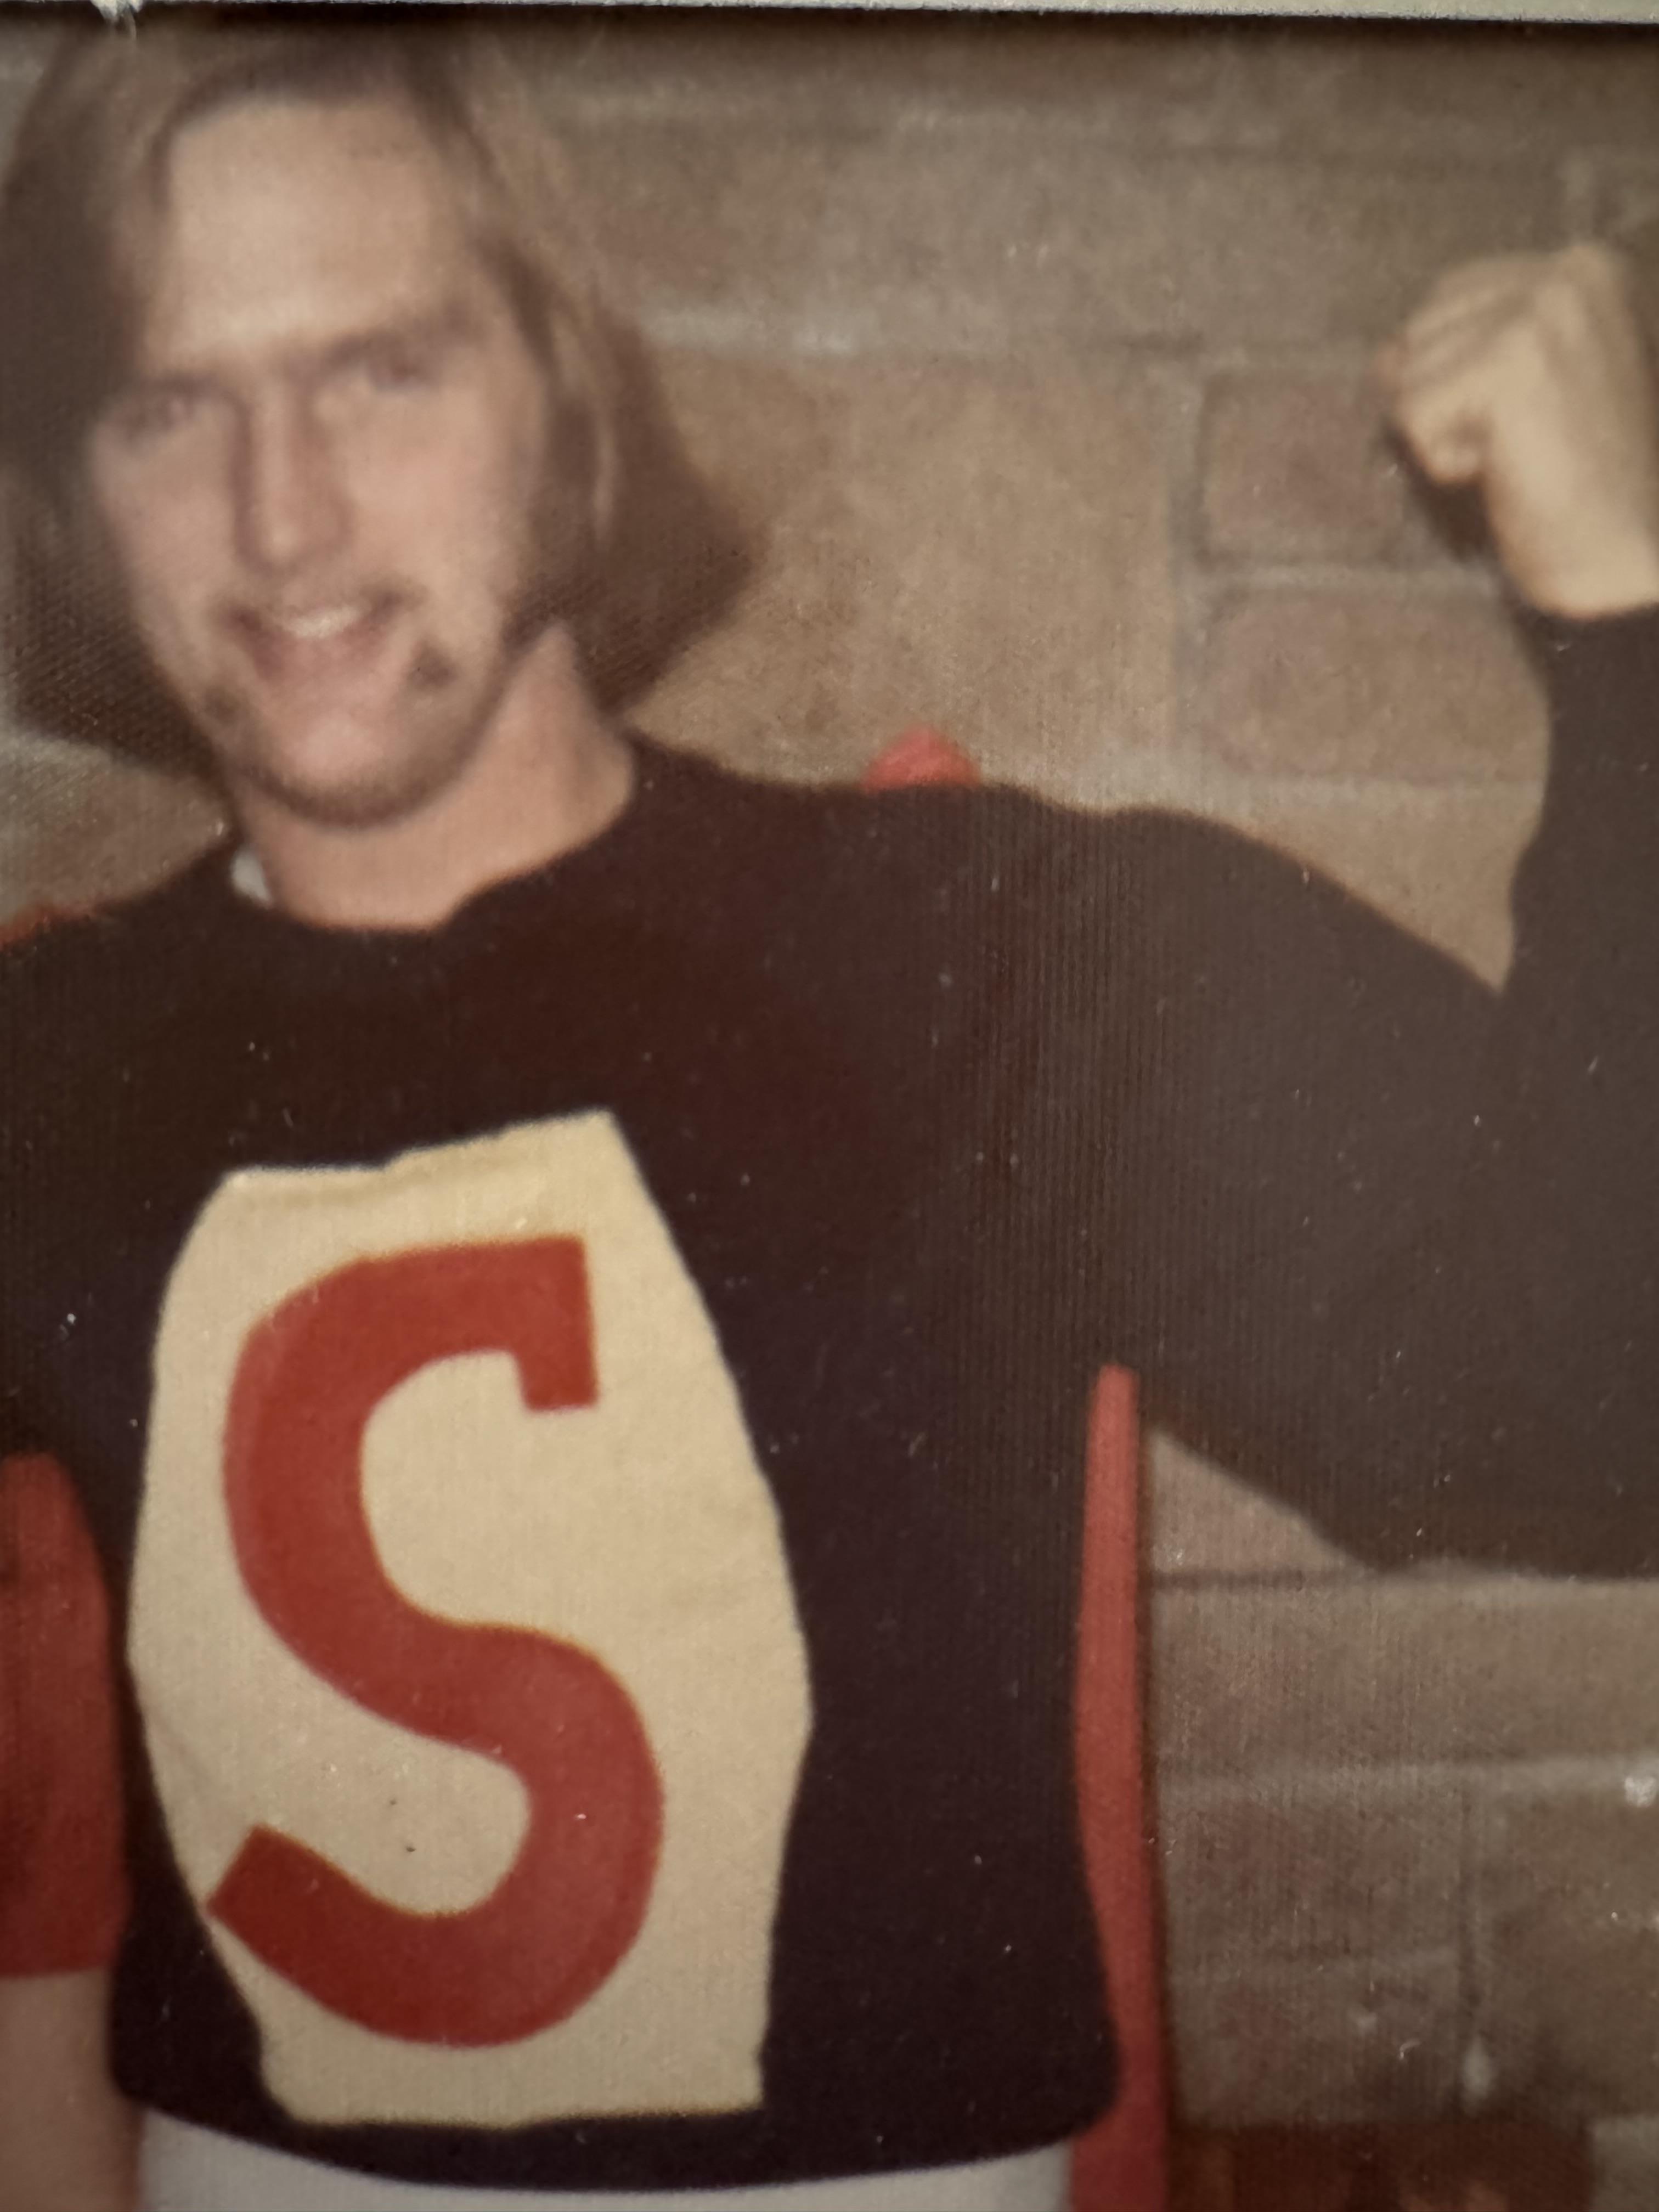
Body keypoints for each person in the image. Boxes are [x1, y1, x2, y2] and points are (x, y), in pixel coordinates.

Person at [3, 18, 1659, 2212]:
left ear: (563, 402)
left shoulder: (996, 954)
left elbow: (1594, 1404)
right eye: (169, 404)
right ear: (70, 495)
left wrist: (1630, 621)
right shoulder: (48, 1057)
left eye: (382, 369)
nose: (282, 509)